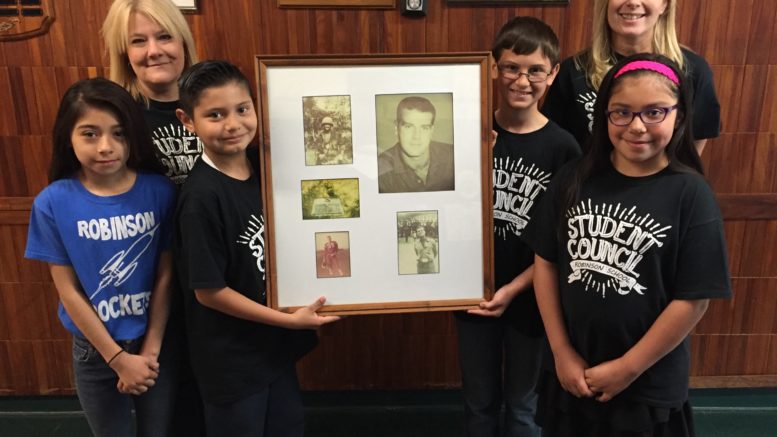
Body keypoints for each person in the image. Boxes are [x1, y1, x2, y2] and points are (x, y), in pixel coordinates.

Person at [524, 53, 732, 436]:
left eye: (654, 112)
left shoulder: (691, 194)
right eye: (622, 112)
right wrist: (561, 352)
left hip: (647, 386)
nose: (637, 127)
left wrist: (628, 368)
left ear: (679, 116)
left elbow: (692, 300)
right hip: (572, 376)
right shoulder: (573, 179)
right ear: (604, 116)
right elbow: (547, 263)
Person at [173, 60, 340, 436]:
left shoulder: (261, 171)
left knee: (288, 427)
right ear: (188, 120)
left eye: (242, 109)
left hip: (271, 352)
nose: (233, 124)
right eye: (215, 114)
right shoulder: (201, 198)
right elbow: (209, 292)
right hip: (230, 362)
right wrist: (289, 320)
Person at [24, 78, 177, 437]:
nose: (106, 147)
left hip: (155, 345)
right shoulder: (52, 202)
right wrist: (117, 359)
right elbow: (69, 292)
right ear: (68, 137)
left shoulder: (160, 190)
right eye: (90, 134)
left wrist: (150, 350)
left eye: (118, 133)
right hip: (95, 352)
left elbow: (165, 276)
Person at [455, 17, 581, 437]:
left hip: (532, 296)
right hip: (473, 292)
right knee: (479, 405)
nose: (522, 80)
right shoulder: (467, 134)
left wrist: (512, 290)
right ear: (493, 67)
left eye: (535, 70)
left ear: (553, 74)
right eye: (511, 67)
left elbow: (561, 244)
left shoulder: (564, 148)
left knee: (525, 407)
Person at [542, 0, 720, 155]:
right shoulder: (573, 71)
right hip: (588, 190)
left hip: (662, 192)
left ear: (665, 4)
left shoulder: (693, 71)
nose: (633, 2)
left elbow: (695, 143)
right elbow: (556, 141)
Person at [102, 0, 201, 186]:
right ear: (124, 54)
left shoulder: (212, 105)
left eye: (165, 37)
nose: (154, 51)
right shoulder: (115, 117)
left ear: (184, 43)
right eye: (138, 41)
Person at [378, 96, 455, 193]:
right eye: (408, 127)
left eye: (424, 128)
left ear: (432, 131)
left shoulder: (453, 157)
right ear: (396, 129)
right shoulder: (380, 172)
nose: (416, 136)